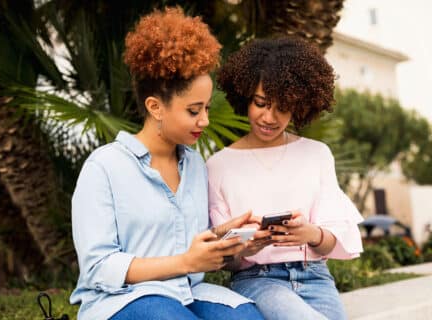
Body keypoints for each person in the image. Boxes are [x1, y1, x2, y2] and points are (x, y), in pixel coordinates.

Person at [69, 7, 265, 320]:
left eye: (206, 108)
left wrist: (230, 242)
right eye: (194, 110)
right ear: (155, 107)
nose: (205, 120)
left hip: (186, 291)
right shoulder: (104, 167)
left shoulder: (195, 165)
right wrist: (187, 262)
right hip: (122, 300)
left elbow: (189, 245)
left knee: (246, 316)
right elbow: (98, 267)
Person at [207, 37, 364, 320]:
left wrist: (311, 234)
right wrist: (245, 249)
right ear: (245, 97)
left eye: (282, 107)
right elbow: (225, 260)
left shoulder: (317, 154)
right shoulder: (218, 166)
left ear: (299, 105)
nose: (269, 117)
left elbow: (333, 242)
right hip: (258, 280)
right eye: (261, 103)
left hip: (316, 278)